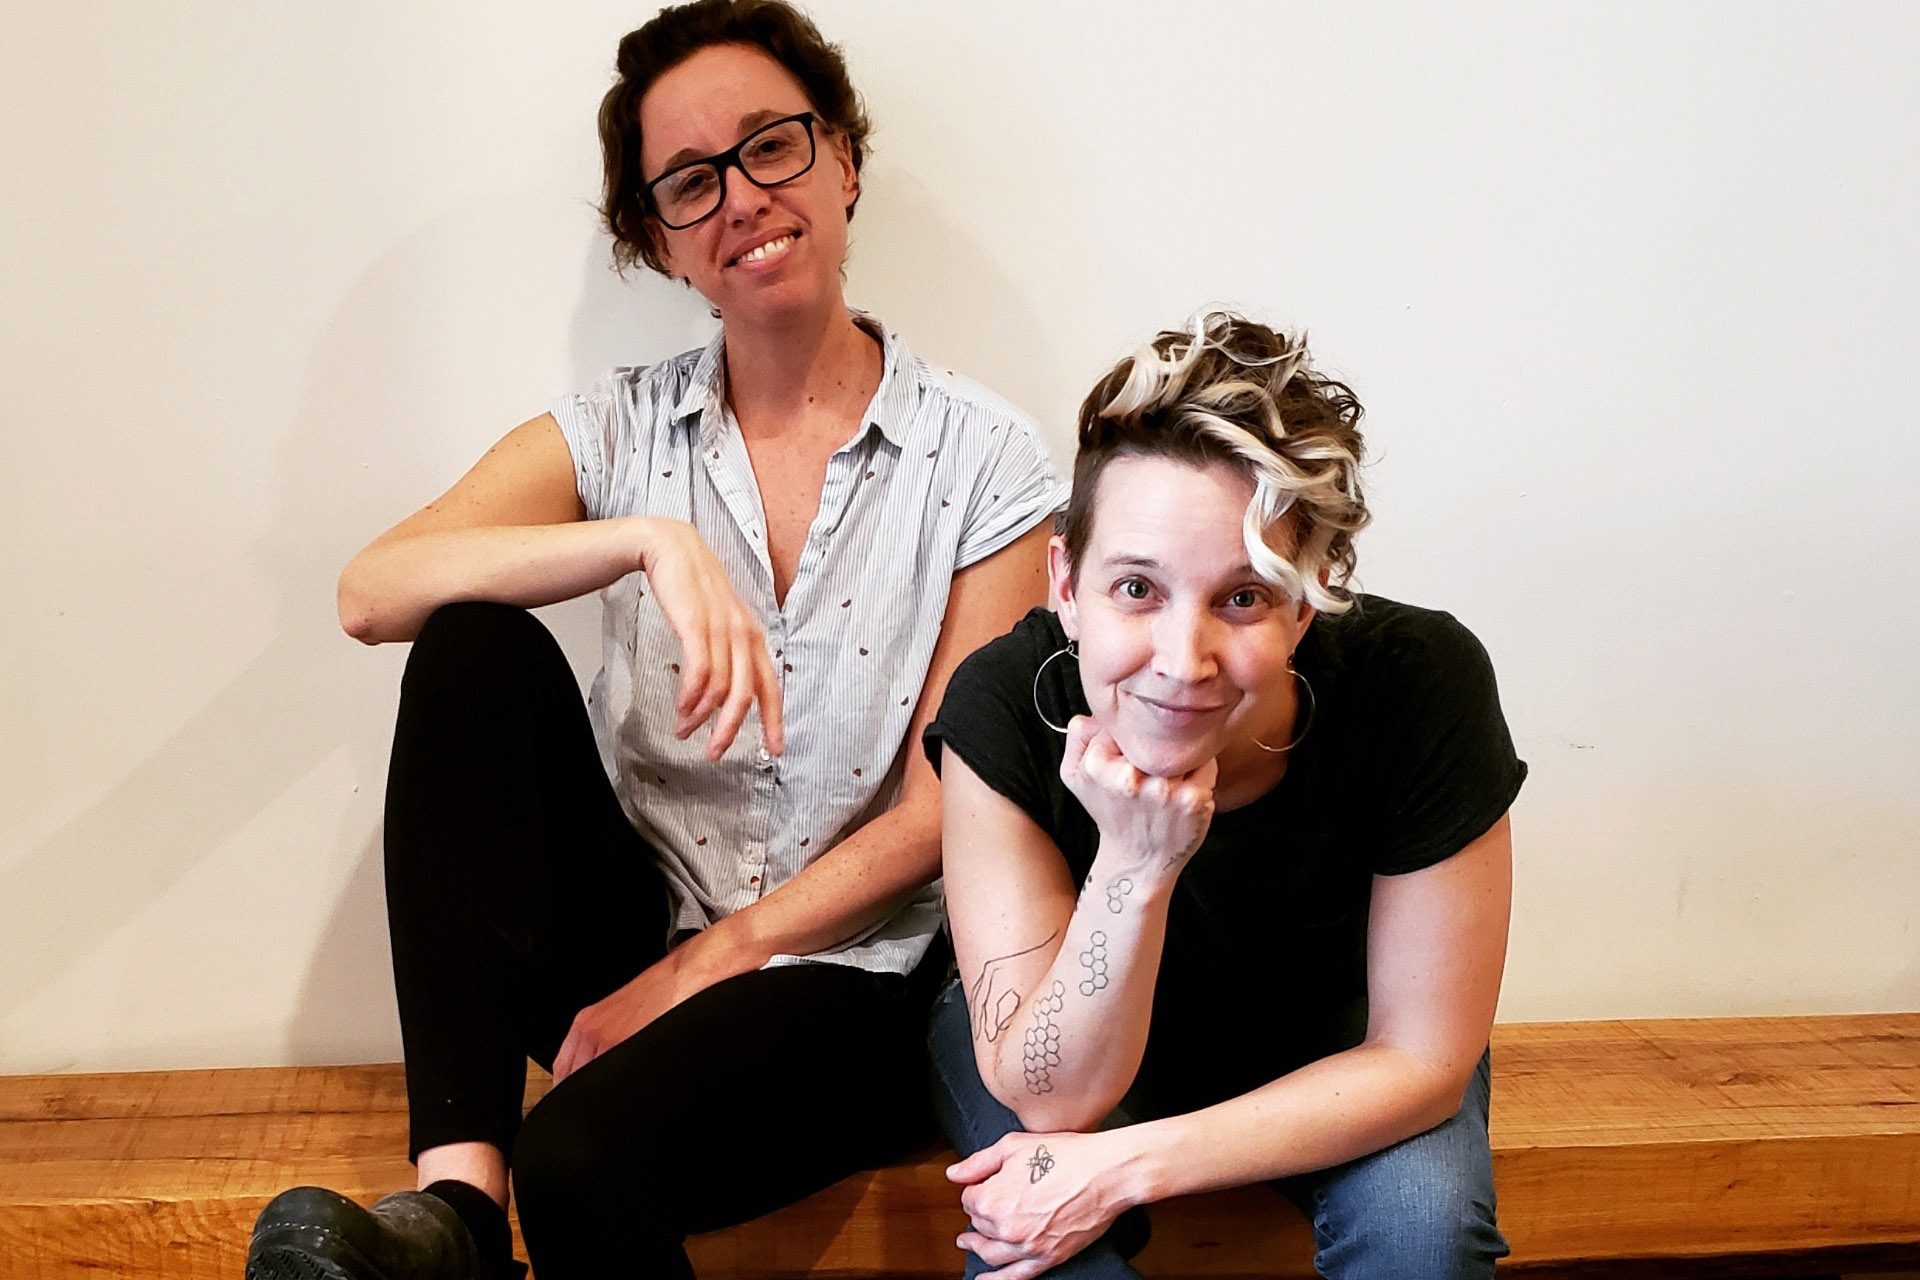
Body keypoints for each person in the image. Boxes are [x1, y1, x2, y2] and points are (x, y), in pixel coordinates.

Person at [244, 3, 1064, 1278]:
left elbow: (940, 813)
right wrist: (642, 542)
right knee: (469, 644)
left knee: (577, 1159)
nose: (741, 196)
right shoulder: (622, 433)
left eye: (771, 147)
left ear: (843, 161)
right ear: (661, 242)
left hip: (853, 972)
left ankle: (519, 1183)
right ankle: (458, 1208)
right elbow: (372, 588)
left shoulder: (988, 458)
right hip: (640, 920)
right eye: (690, 182)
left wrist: (712, 967)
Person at [923, 310, 1525, 1280]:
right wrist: (1134, 858)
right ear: (1066, 583)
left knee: (1426, 1228)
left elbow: (1421, 1060)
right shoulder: (999, 700)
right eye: (1136, 588)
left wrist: (1124, 1166)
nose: (1181, 658)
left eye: (1241, 596)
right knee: (1037, 1248)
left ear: (1308, 596)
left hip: (1331, 1042)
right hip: (1055, 1019)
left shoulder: (1421, 682)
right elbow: (1053, 1099)